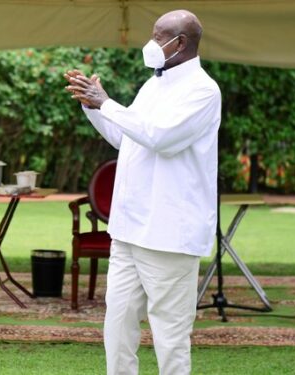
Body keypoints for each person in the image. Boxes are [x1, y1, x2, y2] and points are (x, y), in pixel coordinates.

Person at [64, 10, 221, 375]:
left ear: (180, 43)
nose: (151, 42)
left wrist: (107, 103)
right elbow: (126, 137)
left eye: (158, 35)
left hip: (169, 234)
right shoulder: (153, 84)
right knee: (117, 327)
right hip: (129, 228)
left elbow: (161, 137)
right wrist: (93, 107)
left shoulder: (203, 90)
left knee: (170, 335)